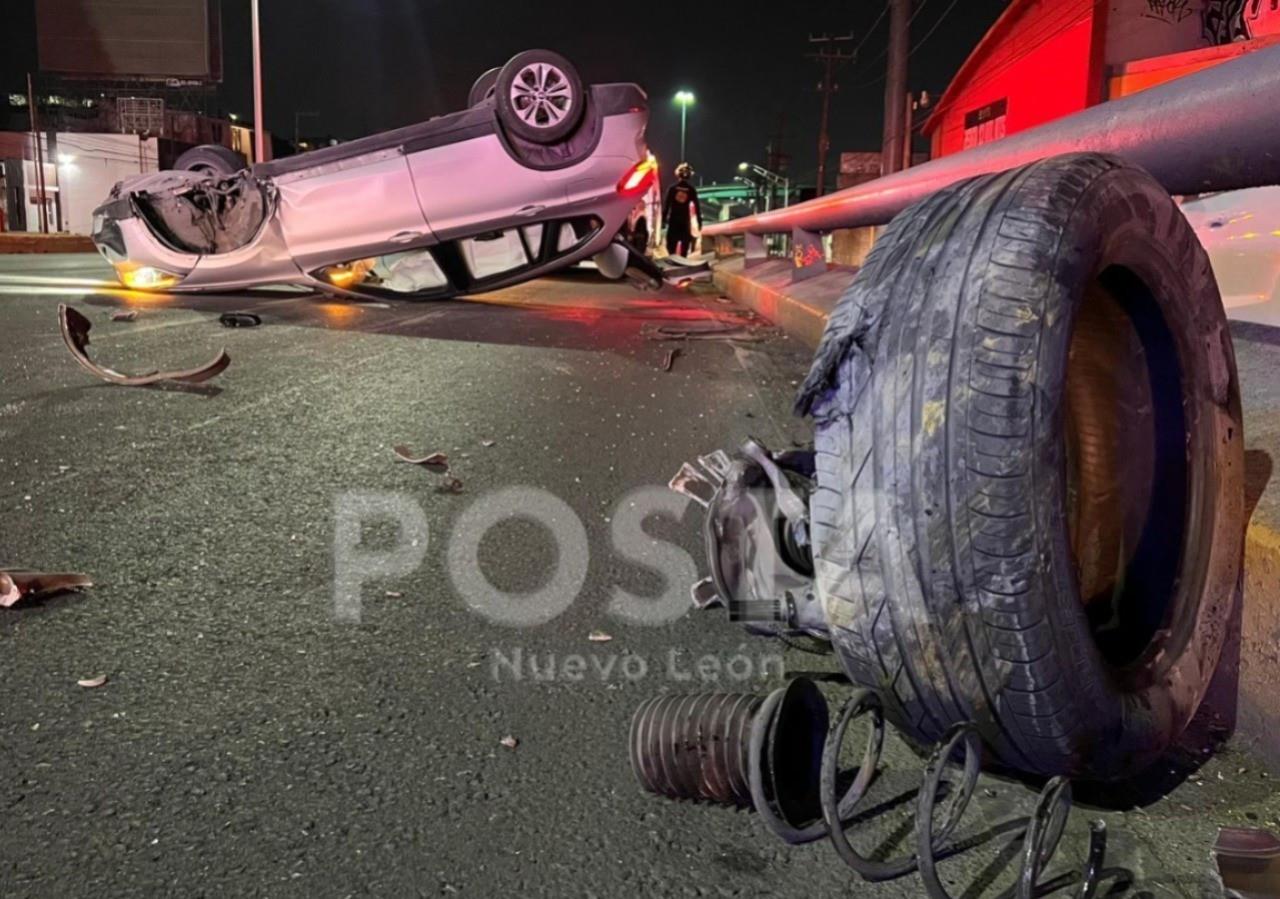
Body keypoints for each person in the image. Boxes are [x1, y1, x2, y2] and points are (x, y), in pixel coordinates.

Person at [662, 162, 701, 257]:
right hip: (685, 221)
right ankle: (682, 262)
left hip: (673, 220)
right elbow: (697, 207)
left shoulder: (672, 188)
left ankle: (672, 260)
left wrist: (663, 220)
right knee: (684, 247)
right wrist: (700, 221)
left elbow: (666, 206)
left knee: (671, 246)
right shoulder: (691, 189)